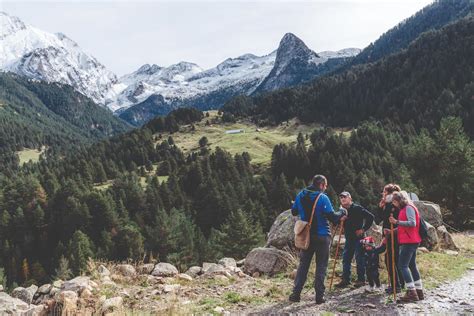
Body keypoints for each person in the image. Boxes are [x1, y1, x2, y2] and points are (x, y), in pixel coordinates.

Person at [289, 175, 346, 304]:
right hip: (322, 236)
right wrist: (342, 212)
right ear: (321, 185)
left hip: (306, 236)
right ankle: (319, 296)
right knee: (321, 266)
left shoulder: (301, 195)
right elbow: (332, 217)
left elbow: (293, 212)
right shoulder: (322, 197)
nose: (325, 189)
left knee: (303, 265)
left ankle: (295, 294)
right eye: (325, 186)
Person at [389, 191, 424, 302]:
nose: (393, 204)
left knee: (402, 265)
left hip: (409, 241)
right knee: (412, 265)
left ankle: (411, 292)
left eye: (393, 202)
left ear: (397, 201)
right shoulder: (406, 208)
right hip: (411, 240)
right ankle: (419, 291)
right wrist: (392, 231)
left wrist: (396, 221)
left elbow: (412, 223)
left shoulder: (408, 208)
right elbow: (405, 227)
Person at [336, 191, 374, 288]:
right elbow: (337, 223)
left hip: (358, 238)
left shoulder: (357, 208)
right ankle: (346, 280)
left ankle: (361, 280)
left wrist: (363, 229)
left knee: (359, 258)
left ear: (350, 198)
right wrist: (341, 220)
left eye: (345, 197)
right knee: (346, 259)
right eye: (341, 198)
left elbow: (370, 217)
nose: (343, 199)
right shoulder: (342, 211)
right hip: (349, 238)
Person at [375, 183, 404, 294]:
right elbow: (380, 219)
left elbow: (394, 221)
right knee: (394, 259)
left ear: (391, 193)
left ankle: (396, 285)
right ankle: (399, 283)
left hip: (394, 235)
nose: (383, 193)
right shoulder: (387, 204)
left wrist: (388, 235)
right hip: (388, 234)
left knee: (390, 259)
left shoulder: (394, 205)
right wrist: (380, 207)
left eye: (385, 191)